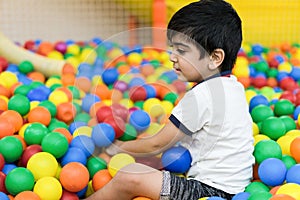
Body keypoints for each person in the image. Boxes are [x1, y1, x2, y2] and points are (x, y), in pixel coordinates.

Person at [86, 0, 254, 199]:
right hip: (237, 190)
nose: (172, 57)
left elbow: (156, 145)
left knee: (129, 177)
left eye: (181, 51)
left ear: (215, 58)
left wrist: (116, 148)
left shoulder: (202, 95)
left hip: (207, 193)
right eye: (172, 48)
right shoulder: (234, 87)